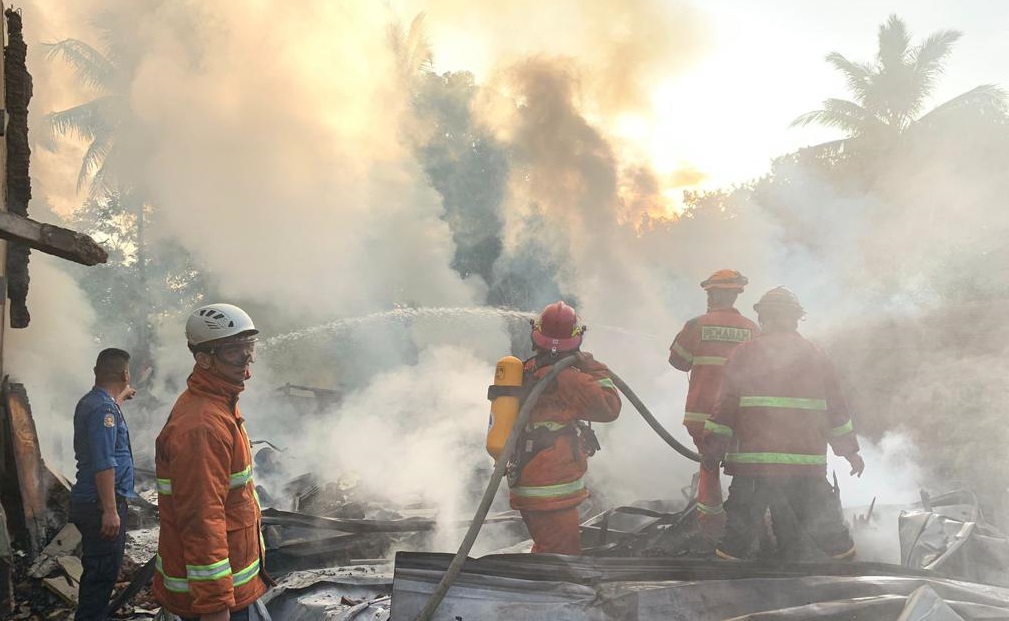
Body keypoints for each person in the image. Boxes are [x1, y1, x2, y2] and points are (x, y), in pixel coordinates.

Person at [701, 287, 866, 561]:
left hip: (754, 467)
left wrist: (712, 450)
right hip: (806, 468)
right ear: (796, 318)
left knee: (735, 542)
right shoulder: (817, 355)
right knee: (832, 537)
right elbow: (836, 410)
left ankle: (724, 596)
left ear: (763, 318)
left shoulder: (744, 354)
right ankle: (860, 590)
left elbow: (724, 408)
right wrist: (850, 452)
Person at [153, 304, 271, 621]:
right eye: (235, 351)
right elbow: (202, 522)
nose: (246, 360)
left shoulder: (219, 405)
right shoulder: (202, 426)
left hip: (234, 590)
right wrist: (215, 608)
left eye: (250, 349)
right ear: (204, 359)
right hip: (215, 602)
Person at [508, 301, 621, 554]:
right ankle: (545, 592)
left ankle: (539, 587)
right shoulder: (574, 380)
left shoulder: (525, 371)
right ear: (576, 340)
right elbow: (610, 408)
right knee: (561, 557)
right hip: (550, 490)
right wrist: (595, 369)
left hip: (527, 481)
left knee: (547, 549)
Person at [69, 348, 137, 621]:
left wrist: (120, 398)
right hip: (100, 505)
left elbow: (105, 422)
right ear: (124, 374)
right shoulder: (104, 410)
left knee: (99, 573)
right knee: (101, 577)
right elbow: (104, 462)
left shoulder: (95, 402)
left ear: (96, 372)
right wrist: (110, 510)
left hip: (92, 502)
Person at [668, 269, 759, 448]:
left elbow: (678, 361)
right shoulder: (753, 329)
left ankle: (707, 475)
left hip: (701, 414)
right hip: (739, 415)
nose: (708, 298)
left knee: (707, 462)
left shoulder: (696, 325)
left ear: (718, 295)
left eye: (710, 293)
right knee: (738, 464)